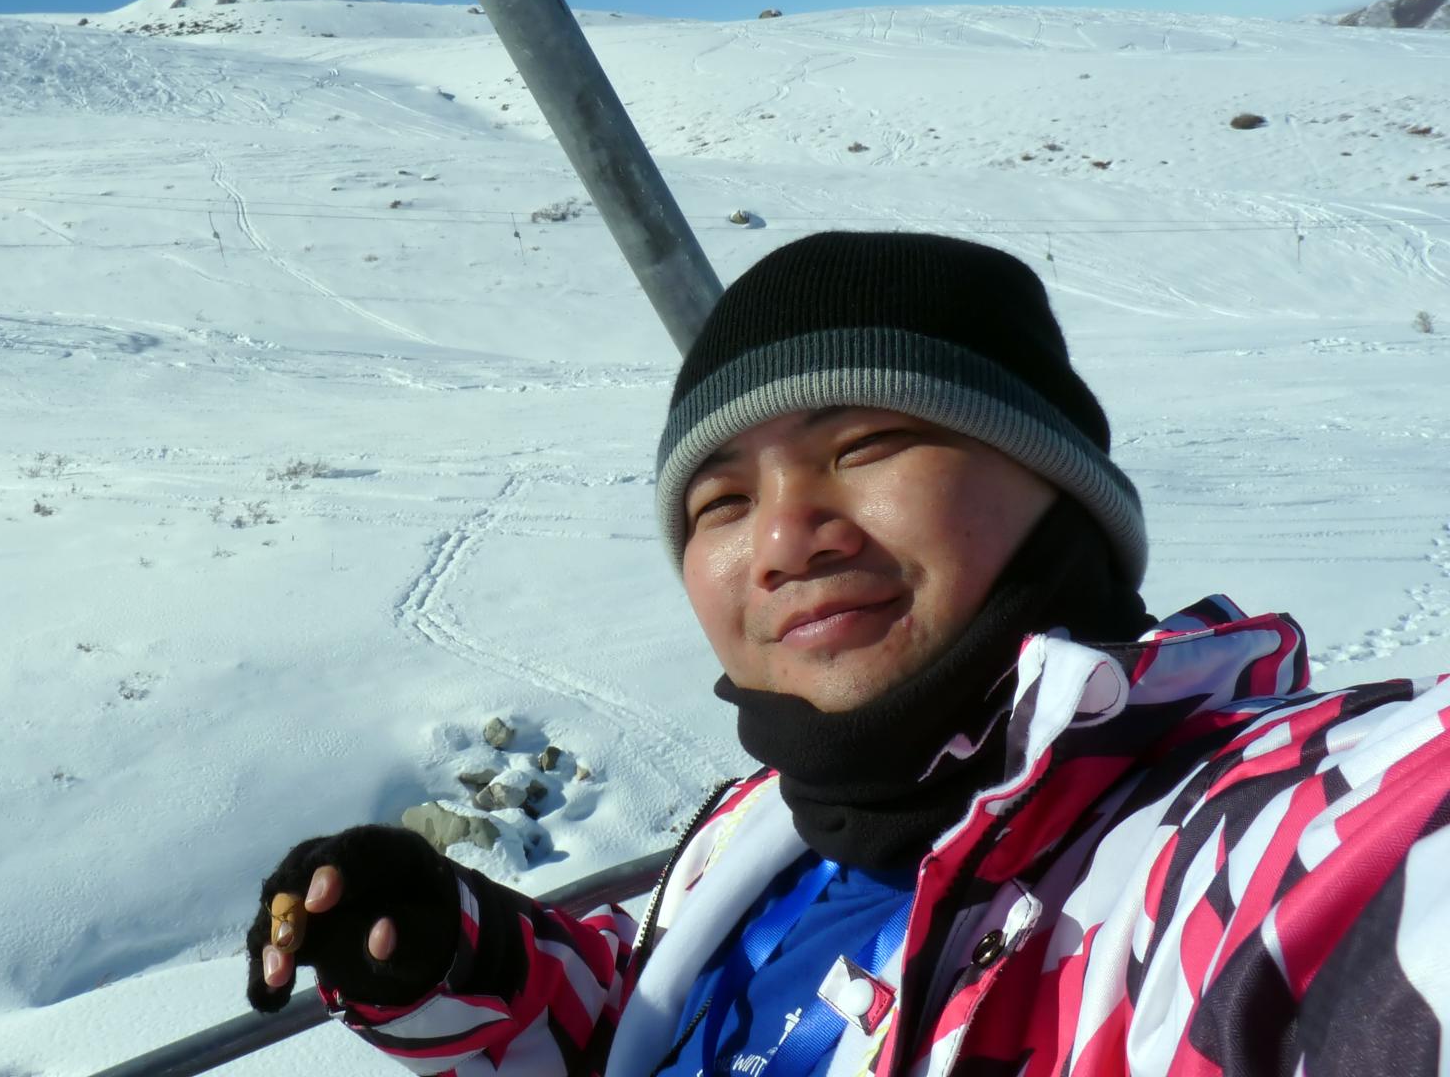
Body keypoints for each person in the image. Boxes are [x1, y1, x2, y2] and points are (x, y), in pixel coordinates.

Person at [246, 231, 1450, 1076]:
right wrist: (451, 951)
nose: (782, 540)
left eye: (866, 441)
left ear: (1062, 487)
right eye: (719, 502)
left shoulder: (1256, 853)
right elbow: (652, 1024)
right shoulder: (762, 833)